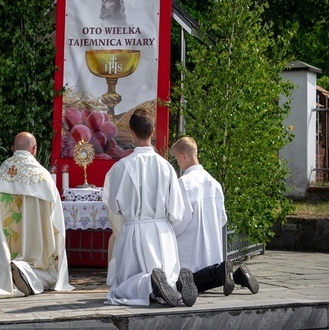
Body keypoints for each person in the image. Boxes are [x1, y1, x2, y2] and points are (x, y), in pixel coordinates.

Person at [102, 108, 197, 307]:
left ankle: (150, 282)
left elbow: (112, 205)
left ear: (131, 131)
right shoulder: (166, 167)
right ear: (153, 131)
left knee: (123, 286)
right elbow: (176, 210)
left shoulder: (121, 167)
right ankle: (174, 284)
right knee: (166, 275)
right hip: (161, 232)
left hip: (135, 232)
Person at [0, 132, 73, 298]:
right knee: (49, 277)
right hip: (36, 255)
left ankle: (4, 273)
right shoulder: (42, 177)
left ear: (13, 149)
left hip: (1, 255)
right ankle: (25, 271)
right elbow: (56, 220)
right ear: (34, 149)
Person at [171, 137, 259, 296]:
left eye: (177, 159)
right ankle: (237, 275)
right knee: (207, 276)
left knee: (184, 283)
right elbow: (222, 219)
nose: (177, 163)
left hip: (191, 248)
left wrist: (170, 233)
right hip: (212, 247)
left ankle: (221, 271)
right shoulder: (214, 183)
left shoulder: (184, 183)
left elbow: (181, 219)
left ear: (183, 156)